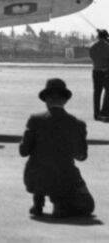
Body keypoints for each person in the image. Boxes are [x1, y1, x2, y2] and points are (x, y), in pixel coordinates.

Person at [20, 78, 95, 218]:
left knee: (41, 165)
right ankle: (61, 203)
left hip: (35, 178)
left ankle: (38, 202)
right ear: (65, 101)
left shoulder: (35, 120)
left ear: (46, 100)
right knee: (88, 205)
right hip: (64, 178)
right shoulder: (77, 124)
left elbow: (23, 151)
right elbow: (82, 156)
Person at [88, 29, 109, 121]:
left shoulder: (92, 46)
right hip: (105, 72)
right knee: (108, 91)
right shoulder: (107, 46)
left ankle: (96, 114)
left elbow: (92, 57)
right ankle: (104, 111)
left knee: (97, 93)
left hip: (95, 71)